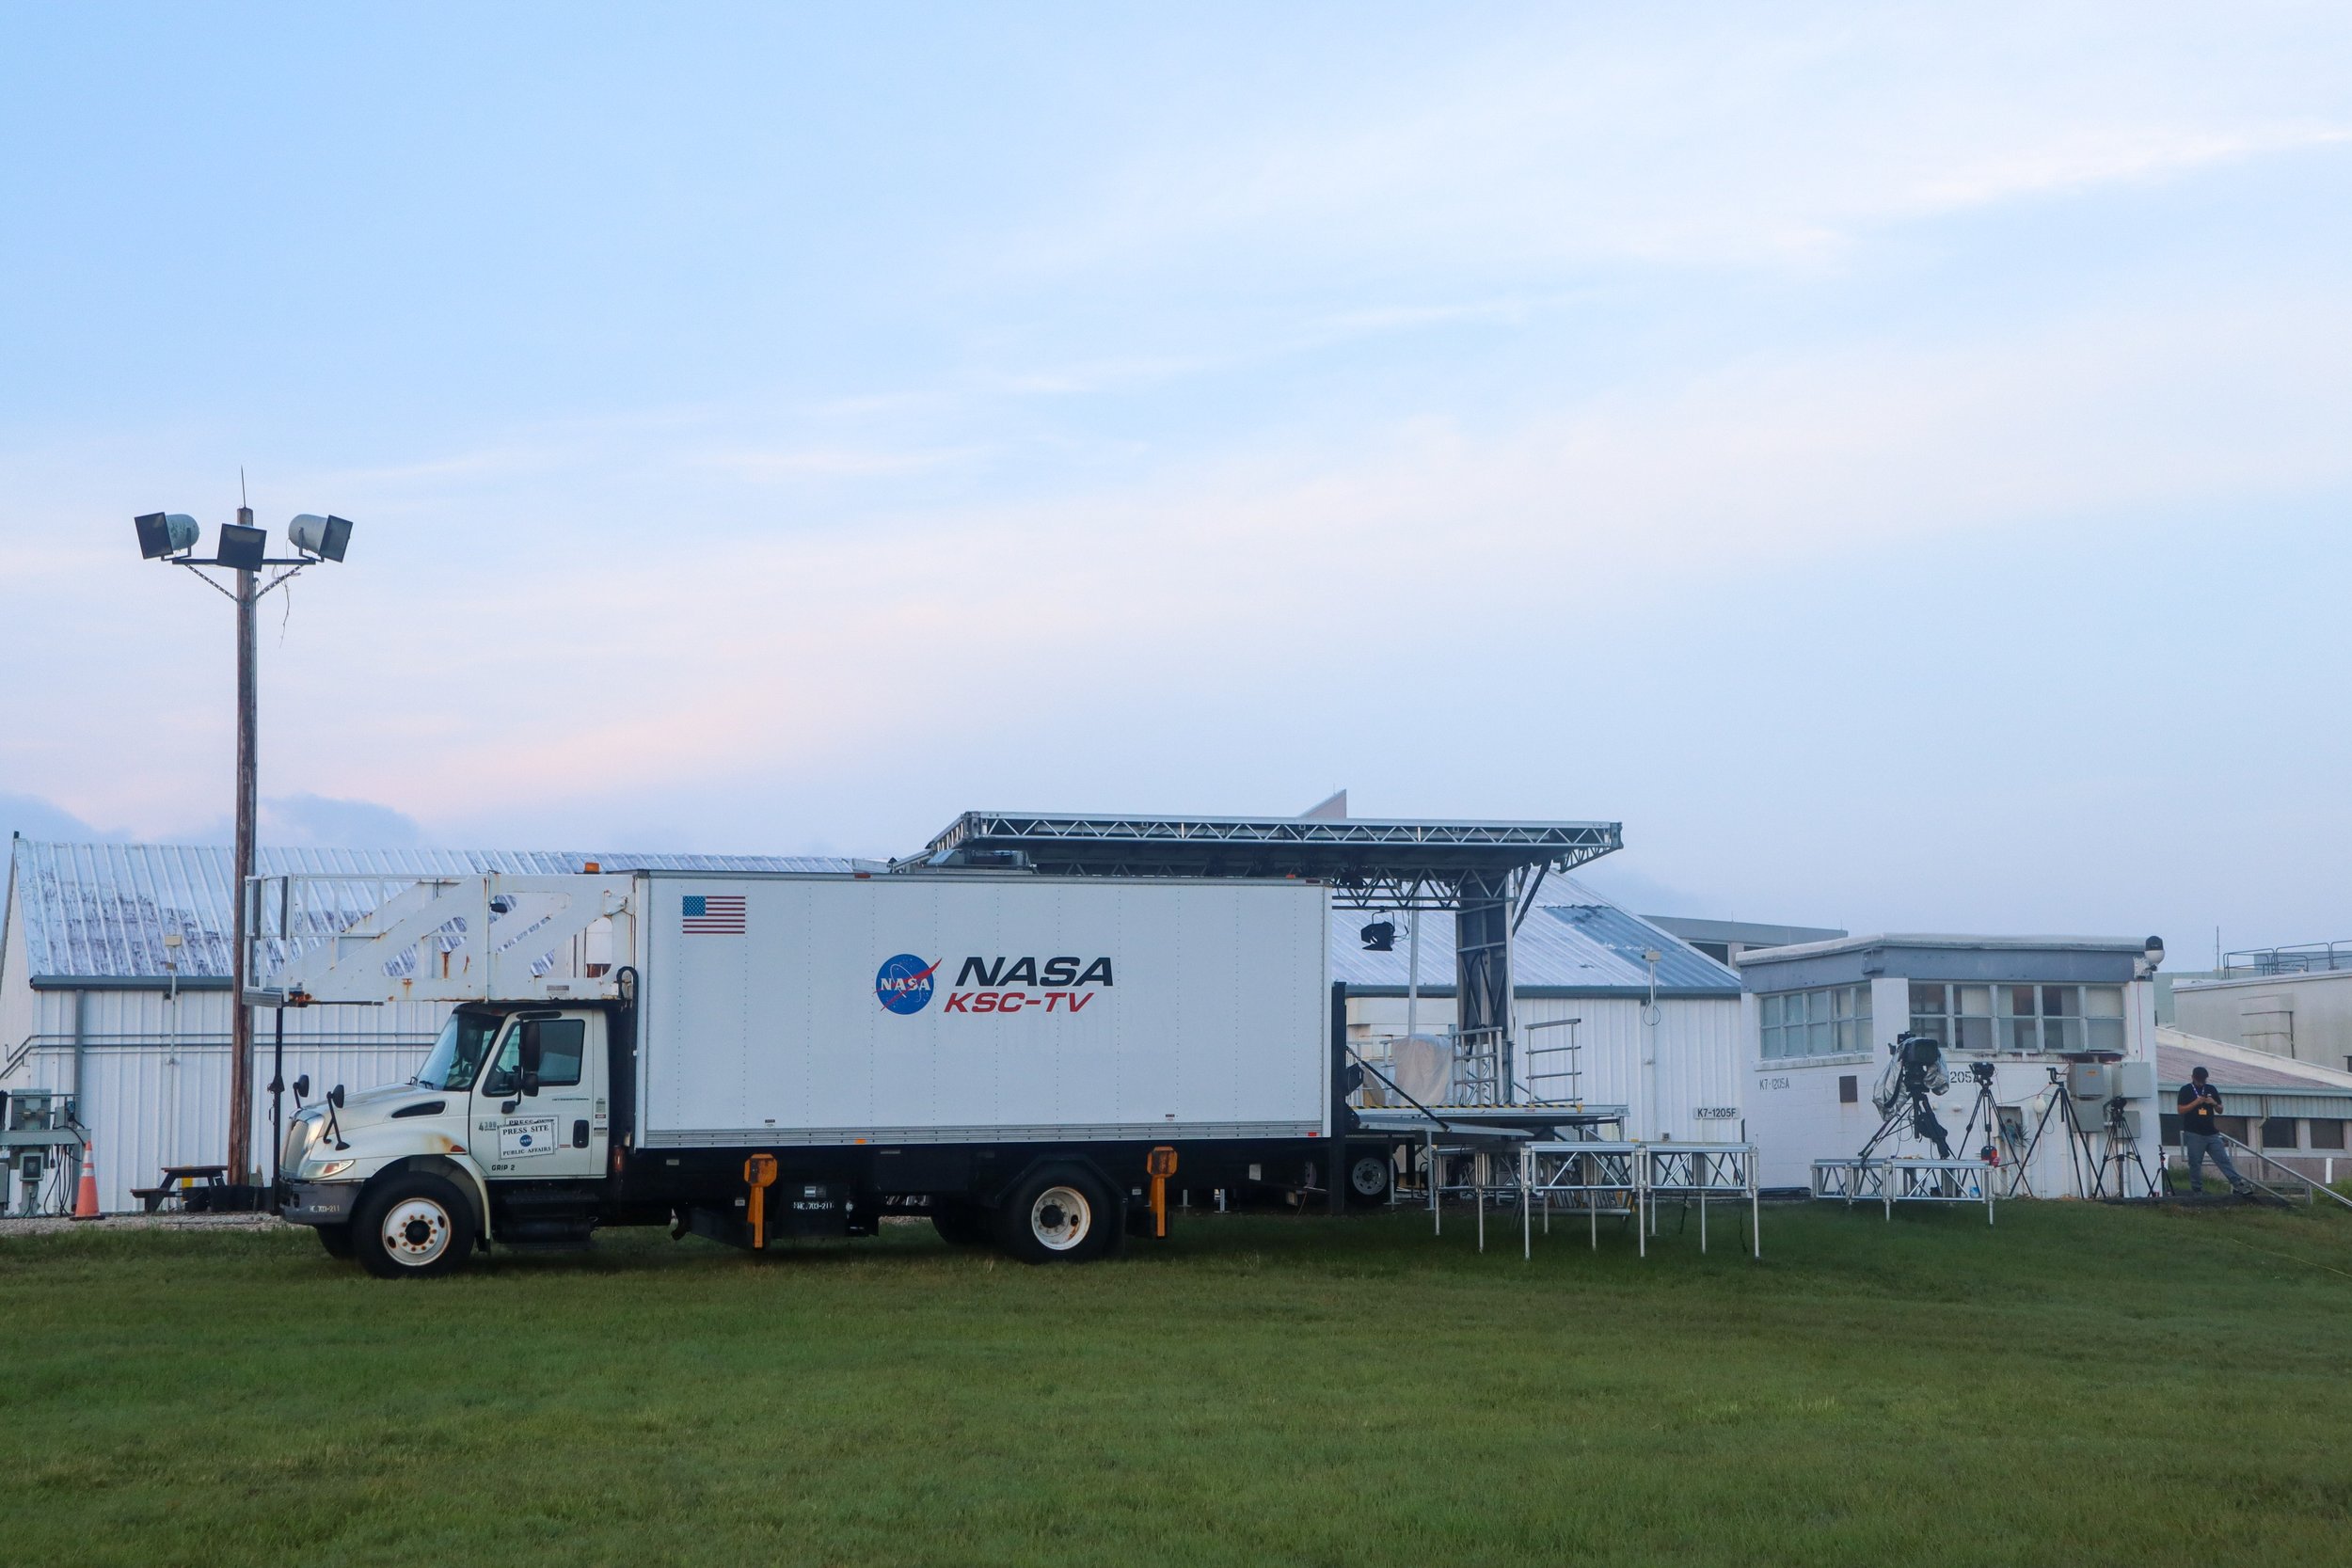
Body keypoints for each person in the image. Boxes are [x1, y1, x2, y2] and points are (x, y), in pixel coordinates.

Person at [2177, 1066, 2252, 1196]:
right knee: (2195, 1162)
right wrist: (2195, 1102)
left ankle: (2238, 1184)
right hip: (2194, 1133)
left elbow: (2220, 1110)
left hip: (2211, 1133)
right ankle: (2197, 1190)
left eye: (2203, 1080)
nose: (2201, 1083)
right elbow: (2180, 1110)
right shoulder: (2186, 1090)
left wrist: (2214, 1103)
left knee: (2223, 1159)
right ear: (2193, 1077)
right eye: (2199, 1080)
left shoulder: (2211, 1089)